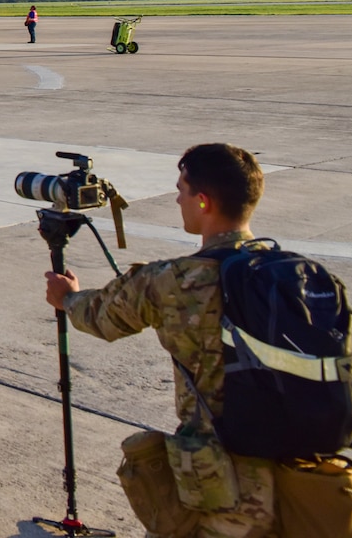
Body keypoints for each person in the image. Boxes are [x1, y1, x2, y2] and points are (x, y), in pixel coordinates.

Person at [43, 144, 307, 538]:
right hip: (303, 480)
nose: (178, 199)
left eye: (182, 190)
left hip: (222, 486)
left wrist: (67, 297)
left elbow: (101, 317)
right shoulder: (297, 276)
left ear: (203, 202)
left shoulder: (175, 280)